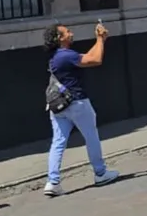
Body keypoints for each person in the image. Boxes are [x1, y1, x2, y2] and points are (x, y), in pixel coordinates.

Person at [42, 23, 120, 196]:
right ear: (59, 38)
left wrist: (100, 40)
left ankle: (53, 181)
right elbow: (96, 60)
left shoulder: (58, 56)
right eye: (67, 32)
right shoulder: (66, 56)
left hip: (59, 106)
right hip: (77, 103)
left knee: (58, 141)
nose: (71, 33)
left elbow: (89, 55)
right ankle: (100, 173)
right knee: (91, 136)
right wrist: (100, 39)